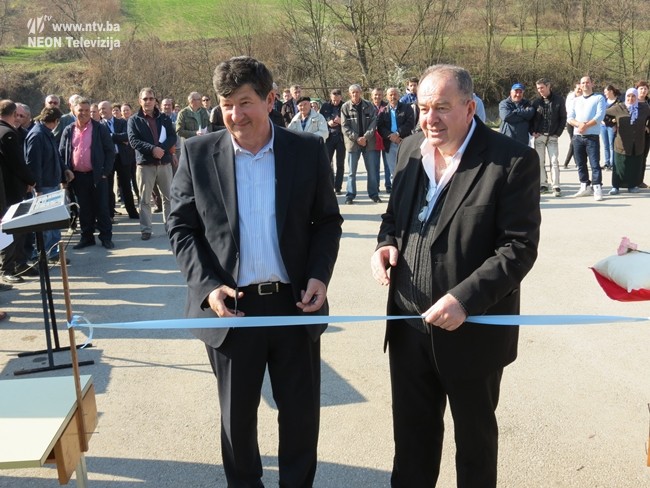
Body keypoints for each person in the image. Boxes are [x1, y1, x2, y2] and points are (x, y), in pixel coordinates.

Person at [167, 56, 342, 488]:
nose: (235, 114)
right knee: (237, 420)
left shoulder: (306, 150)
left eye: (245, 102)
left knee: (300, 417)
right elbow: (181, 228)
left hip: (293, 305)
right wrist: (208, 286)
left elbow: (326, 221)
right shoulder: (197, 153)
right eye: (226, 104)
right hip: (231, 310)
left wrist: (319, 275)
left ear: (270, 99)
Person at [370, 64, 541, 488]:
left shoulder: (512, 160)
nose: (430, 118)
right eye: (424, 107)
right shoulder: (411, 150)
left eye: (442, 108)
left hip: (473, 331)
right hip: (408, 327)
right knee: (411, 445)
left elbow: (518, 248)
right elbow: (393, 217)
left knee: (475, 447)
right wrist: (385, 244)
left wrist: (464, 299)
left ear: (469, 108)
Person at [59, 98, 115, 250]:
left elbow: (110, 151)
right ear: (73, 111)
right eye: (80, 110)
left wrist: (105, 172)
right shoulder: (69, 130)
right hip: (77, 177)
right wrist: (66, 171)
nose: (83, 113)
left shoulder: (99, 129)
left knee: (102, 208)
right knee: (84, 209)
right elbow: (62, 153)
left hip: (97, 176)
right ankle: (87, 237)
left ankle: (106, 237)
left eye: (86, 110)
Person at [24, 107, 74, 264]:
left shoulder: (46, 133)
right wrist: (37, 188)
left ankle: (54, 252)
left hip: (52, 183)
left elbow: (56, 155)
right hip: (44, 186)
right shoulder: (37, 135)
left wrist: (65, 170)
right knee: (46, 224)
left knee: (54, 221)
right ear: (56, 121)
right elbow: (33, 164)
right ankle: (45, 254)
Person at [127, 87, 177, 241]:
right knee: (145, 200)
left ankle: (170, 227)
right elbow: (133, 141)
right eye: (145, 99)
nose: (148, 101)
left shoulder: (164, 118)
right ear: (139, 101)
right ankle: (146, 229)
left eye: (151, 98)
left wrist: (161, 149)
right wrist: (152, 149)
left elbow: (172, 137)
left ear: (155, 101)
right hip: (145, 165)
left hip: (164, 164)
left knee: (168, 198)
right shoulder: (134, 120)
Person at [0, 100, 36, 284]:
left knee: (17, 229)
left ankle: (18, 263)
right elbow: (18, 163)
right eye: (18, 115)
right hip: (11, 190)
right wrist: (30, 180)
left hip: (7, 189)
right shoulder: (7, 134)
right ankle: (8, 268)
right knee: (13, 230)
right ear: (14, 114)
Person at [567, 76, 606, 200]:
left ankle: (597, 187)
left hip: (592, 136)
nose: (585, 85)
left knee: (594, 163)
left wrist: (586, 125)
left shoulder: (598, 98)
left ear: (592, 84)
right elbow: (570, 117)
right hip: (577, 136)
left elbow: (599, 116)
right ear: (580, 85)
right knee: (580, 163)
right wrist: (579, 124)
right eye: (583, 83)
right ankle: (584, 185)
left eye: (587, 82)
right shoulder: (575, 100)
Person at [98, 101, 139, 219]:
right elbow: (102, 141)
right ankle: (110, 214)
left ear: (110, 109)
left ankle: (132, 212)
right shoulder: (99, 126)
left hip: (123, 158)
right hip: (108, 160)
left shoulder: (122, 122)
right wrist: (119, 138)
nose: (101, 111)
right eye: (100, 109)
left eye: (104, 108)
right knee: (108, 188)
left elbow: (127, 136)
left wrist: (111, 136)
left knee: (126, 186)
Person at [341, 84, 380, 204]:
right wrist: (357, 138)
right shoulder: (345, 107)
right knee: (352, 172)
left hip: (369, 142)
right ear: (349, 94)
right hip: (353, 143)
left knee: (372, 171)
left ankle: (374, 194)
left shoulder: (369, 105)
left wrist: (365, 137)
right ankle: (350, 195)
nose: (355, 94)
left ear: (360, 93)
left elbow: (373, 123)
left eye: (357, 92)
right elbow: (344, 126)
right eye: (352, 92)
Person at [606, 88, 650, 195]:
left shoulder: (644, 108)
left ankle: (632, 185)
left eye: (633, 96)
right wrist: (612, 125)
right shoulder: (619, 107)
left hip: (638, 142)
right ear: (626, 97)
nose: (631, 98)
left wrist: (647, 126)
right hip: (622, 142)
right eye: (629, 96)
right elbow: (604, 114)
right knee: (619, 165)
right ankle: (615, 186)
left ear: (636, 97)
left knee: (634, 165)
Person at [530, 78, 567, 196]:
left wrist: (558, 133)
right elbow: (531, 119)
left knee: (554, 161)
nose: (540, 90)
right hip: (539, 136)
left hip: (552, 136)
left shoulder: (559, 100)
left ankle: (556, 186)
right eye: (538, 88)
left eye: (542, 87)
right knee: (539, 162)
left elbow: (563, 118)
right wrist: (533, 131)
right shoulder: (536, 102)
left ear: (548, 86)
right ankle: (543, 184)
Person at [377, 87, 415, 193]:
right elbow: (380, 127)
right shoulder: (383, 111)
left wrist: (398, 134)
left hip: (404, 141)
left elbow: (410, 123)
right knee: (393, 170)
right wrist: (391, 136)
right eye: (390, 95)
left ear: (398, 96)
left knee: (406, 167)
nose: (393, 96)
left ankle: (407, 192)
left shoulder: (407, 108)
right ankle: (397, 192)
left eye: (395, 94)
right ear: (387, 97)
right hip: (390, 144)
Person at [320, 88, 346, 194]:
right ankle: (330, 185)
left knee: (340, 163)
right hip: (329, 138)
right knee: (328, 163)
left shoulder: (345, 106)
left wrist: (341, 121)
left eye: (337, 100)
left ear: (341, 97)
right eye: (334, 100)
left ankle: (338, 187)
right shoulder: (325, 106)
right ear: (331, 97)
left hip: (341, 138)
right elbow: (320, 119)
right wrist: (328, 122)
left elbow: (351, 120)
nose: (335, 102)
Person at [601, 85, 621, 171]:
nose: (604, 94)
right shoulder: (604, 101)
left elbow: (620, 114)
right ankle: (607, 163)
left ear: (611, 91)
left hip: (612, 126)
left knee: (611, 145)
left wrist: (615, 123)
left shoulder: (618, 102)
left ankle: (613, 164)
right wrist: (601, 121)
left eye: (606, 92)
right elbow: (600, 112)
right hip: (603, 126)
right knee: (605, 145)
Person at [563, 83, 582, 168]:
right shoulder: (571, 97)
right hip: (571, 122)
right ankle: (567, 163)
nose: (579, 90)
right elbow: (568, 110)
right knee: (573, 142)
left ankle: (576, 162)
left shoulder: (584, 97)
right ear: (574, 89)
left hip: (579, 122)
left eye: (581, 88)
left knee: (575, 142)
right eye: (578, 88)